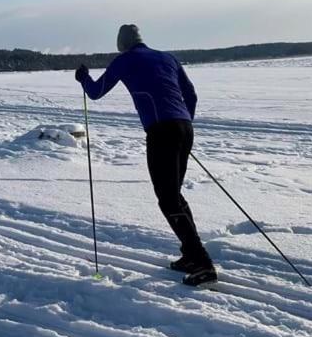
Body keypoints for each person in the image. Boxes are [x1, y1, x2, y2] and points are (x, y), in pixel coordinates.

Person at [75, 24, 216, 286]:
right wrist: (183, 121)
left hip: (161, 132)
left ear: (122, 43)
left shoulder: (124, 60)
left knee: (168, 199)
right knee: (174, 195)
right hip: (184, 128)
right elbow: (191, 95)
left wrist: (83, 77)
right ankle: (190, 255)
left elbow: (95, 92)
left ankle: (203, 263)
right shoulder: (167, 57)